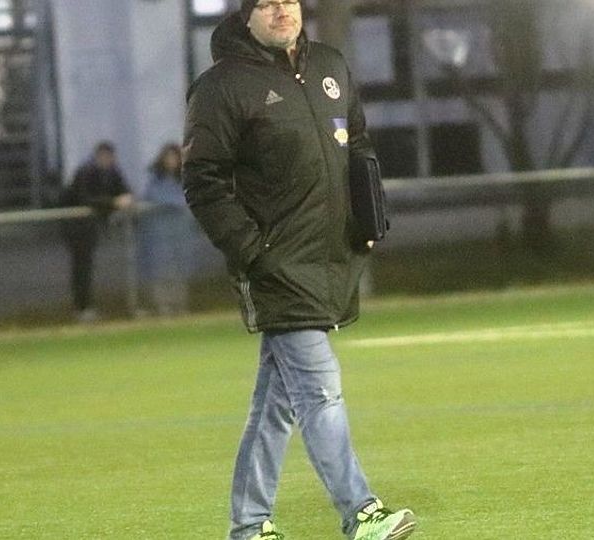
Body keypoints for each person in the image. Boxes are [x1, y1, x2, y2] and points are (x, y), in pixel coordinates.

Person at [182, 2, 416, 540]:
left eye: (288, 0)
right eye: (266, 3)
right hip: (277, 266)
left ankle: (249, 525)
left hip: (329, 259)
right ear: (247, 15)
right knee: (319, 390)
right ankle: (362, 513)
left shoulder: (330, 65)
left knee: (275, 406)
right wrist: (253, 251)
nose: (281, 10)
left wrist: (369, 215)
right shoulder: (221, 87)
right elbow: (202, 181)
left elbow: (358, 145)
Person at [61, 141, 132, 322]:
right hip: (76, 227)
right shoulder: (85, 172)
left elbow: (124, 190)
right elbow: (86, 199)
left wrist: (126, 197)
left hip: (91, 227)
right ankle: (82, 307)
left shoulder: (112, 172)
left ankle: (86, 307)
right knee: (81, 268)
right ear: (98, 156)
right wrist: (113, 202)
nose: (108, 160)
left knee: (86, 266)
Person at [136, 143, 195, 316]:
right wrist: (177, 203)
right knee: (161, 269)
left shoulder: (184, 178)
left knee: (180, 268)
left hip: (180, 232)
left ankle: (180, 304)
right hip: (158, 233)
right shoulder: (154, 179)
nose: (171, 160)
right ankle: (163, 305)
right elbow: (153, 196)